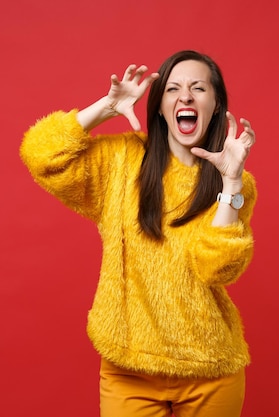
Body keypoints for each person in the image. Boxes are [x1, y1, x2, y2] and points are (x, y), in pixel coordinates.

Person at [20, 50, 257, 417]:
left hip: (210, 369)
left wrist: (230, 182)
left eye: (198, 88)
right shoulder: (122, 160)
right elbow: (41, 155)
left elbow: (219, 268)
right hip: (128, 367)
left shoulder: (238, 183)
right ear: (160, 105)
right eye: (173, 89)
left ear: (215, 105)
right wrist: (106, 107)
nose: (186, 97)